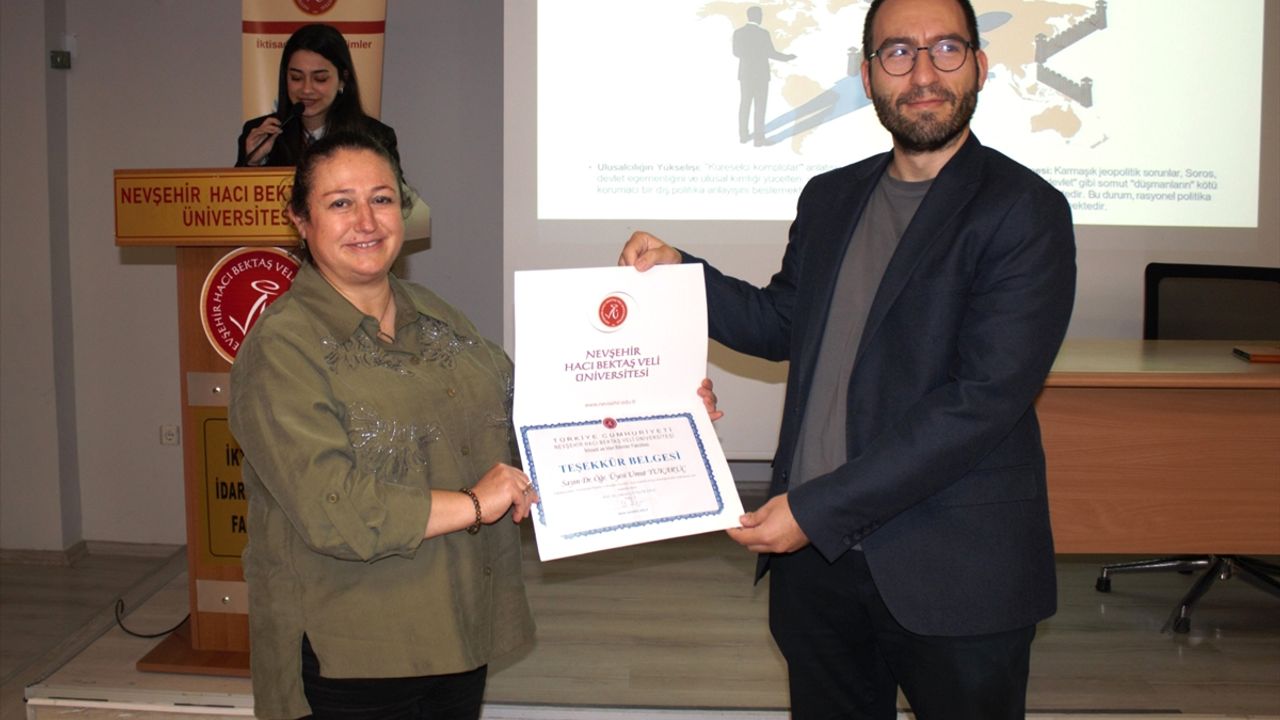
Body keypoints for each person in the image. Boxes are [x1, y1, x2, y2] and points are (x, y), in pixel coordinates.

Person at [620, 0, 1077, 717]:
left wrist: (815, 510)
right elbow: (784, 322)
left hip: (952, 568)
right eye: (897, 52)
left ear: (981, 66)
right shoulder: (831, 197)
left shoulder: (1024, 209)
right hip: (820, 569)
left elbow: (981, 402)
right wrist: (682, 273)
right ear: (868, 77)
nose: (922, 73)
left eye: (946, 49)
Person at [228, 131, 534, 719]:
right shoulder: (281, 348)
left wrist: (657, 404)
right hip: (353, 650)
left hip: (459, 625)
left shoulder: (437, 314)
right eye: (340, 203)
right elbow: (332, 508)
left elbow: (525, 415)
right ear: (300, 220)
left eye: (382, 199)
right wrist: (476, 503)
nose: (366, 221)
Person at [236, 24, 397, 167]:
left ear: (343, 79)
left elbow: (395, 192)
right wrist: (253, 162)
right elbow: (234, 190)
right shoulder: (262, 134)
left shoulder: (376, 137)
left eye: (320, 79)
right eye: (296, 78)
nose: (306, 89)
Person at [733, 6, 795, 146]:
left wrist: (749, 54)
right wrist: (787, 57)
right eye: (761, 15)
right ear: (758, 16)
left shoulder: (738, 32)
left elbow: (736, 52)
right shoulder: (763, 33)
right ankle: (759, 139)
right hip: (761, 75)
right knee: (760, 107)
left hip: (745, 75)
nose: (762, 17)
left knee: (745, 104)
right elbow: (771, 53)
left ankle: (743, 135)